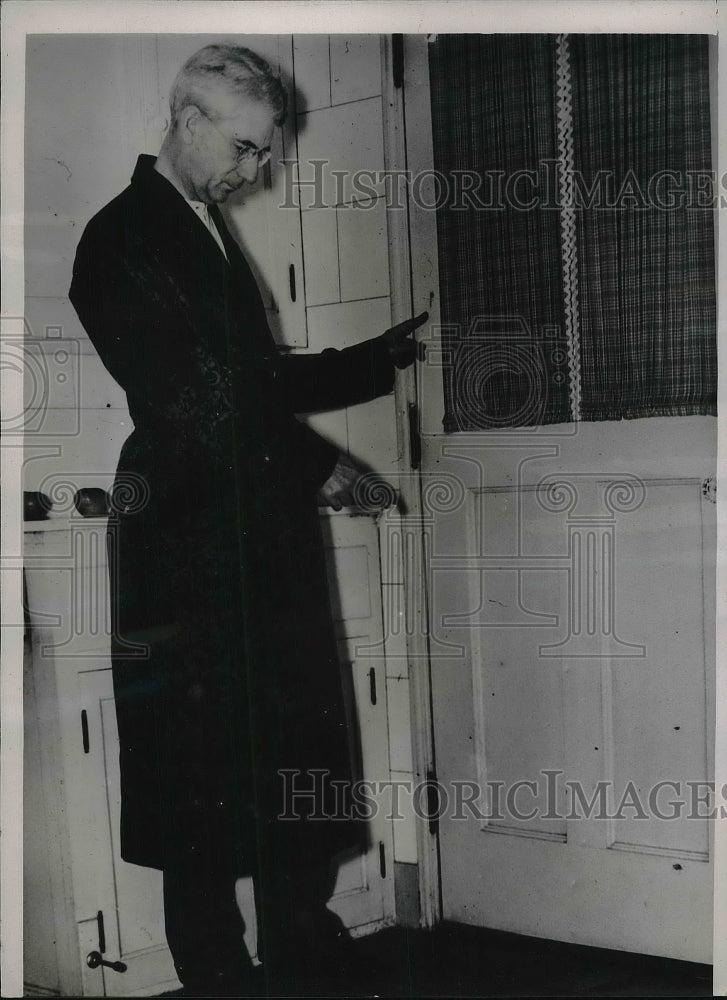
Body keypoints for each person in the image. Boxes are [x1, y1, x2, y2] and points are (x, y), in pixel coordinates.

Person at [68, 43, 426, 996]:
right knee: (197, 771)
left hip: (250, 522)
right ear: (187, 121)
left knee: (287, 742)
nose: (254, 170)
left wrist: (368, 361)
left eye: (264, 152)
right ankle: (218, 974)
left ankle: (300, 946)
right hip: (185, 538)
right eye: (244, 147)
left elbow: (253, 383)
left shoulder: (197, 223)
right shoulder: (121, 239)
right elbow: (194, 398)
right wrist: (323, 467)